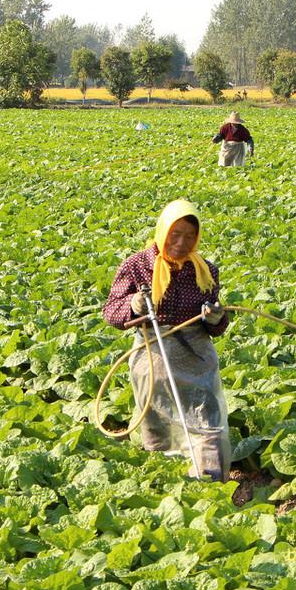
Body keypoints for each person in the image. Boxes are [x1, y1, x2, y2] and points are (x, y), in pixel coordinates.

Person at [102, 200, 231, 480]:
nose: (182, 242)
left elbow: (217, 325)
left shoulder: (204, 270)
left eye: (189, 236)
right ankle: (164, 477)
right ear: (163, 231)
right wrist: (134, 304)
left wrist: (214, 317)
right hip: (154, 353)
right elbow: (111, 312)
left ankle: (209, 478)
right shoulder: (137, 266)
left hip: (195, 355)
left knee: (205, 416)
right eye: (175, 233)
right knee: (157, 418)